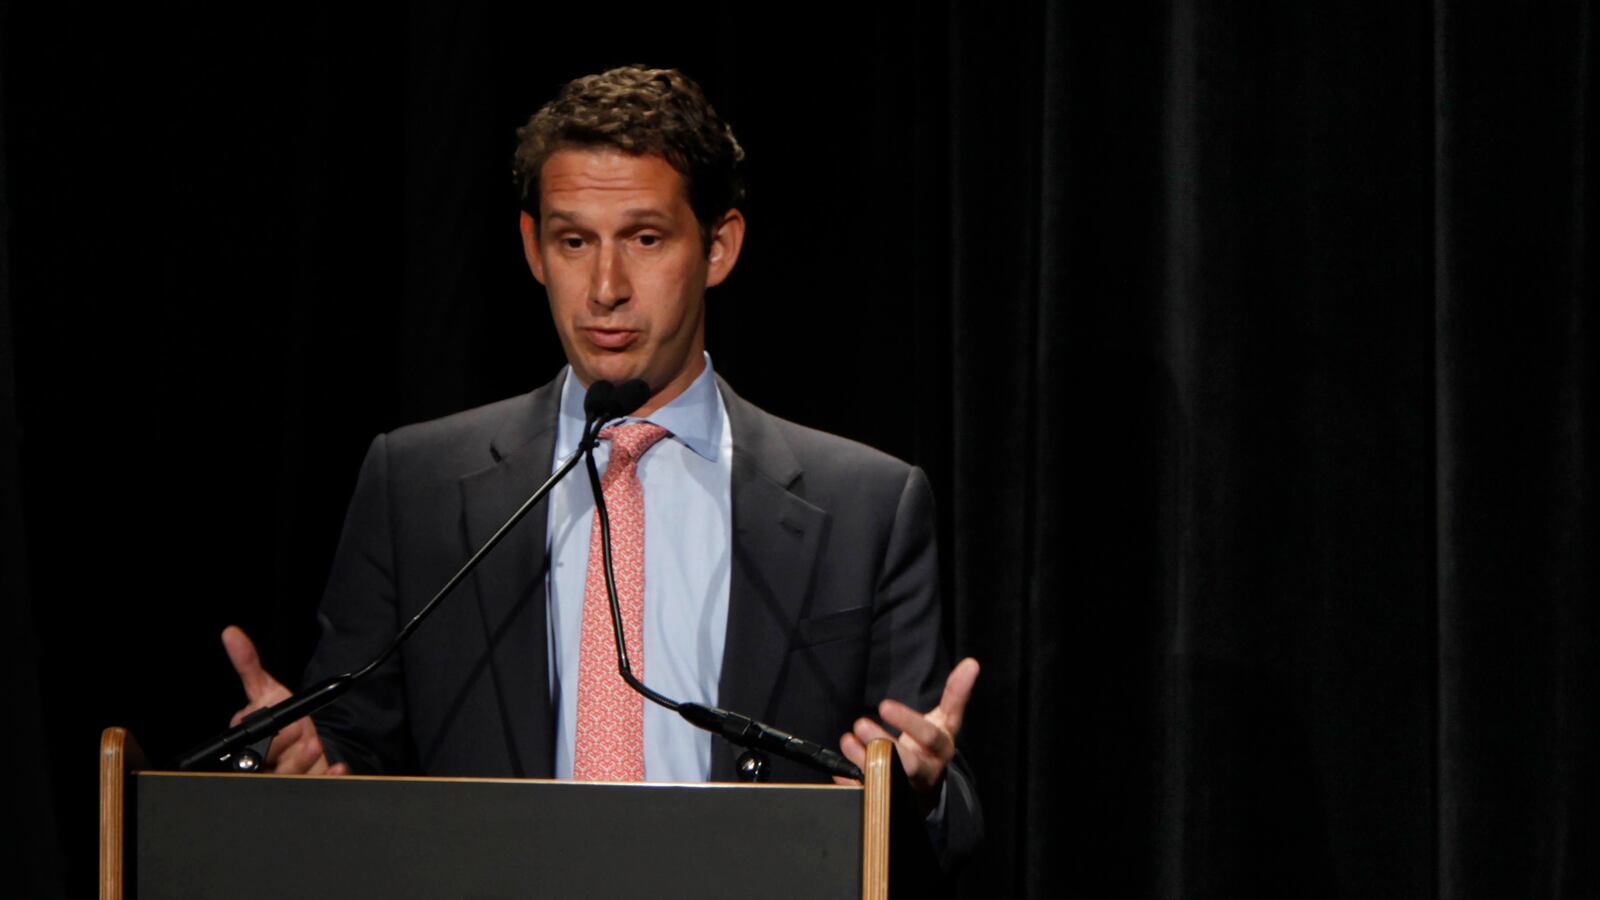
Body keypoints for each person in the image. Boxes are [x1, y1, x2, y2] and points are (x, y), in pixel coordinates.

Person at [223, 64, 981, 864]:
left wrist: (919, 791)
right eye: (574, 241)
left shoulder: (865, 504)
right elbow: (352, 741)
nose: (606, 288)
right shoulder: (414, 486)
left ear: (718, 246)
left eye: (646, 239)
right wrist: (304, 760)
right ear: (533, 248)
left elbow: (948, 804)